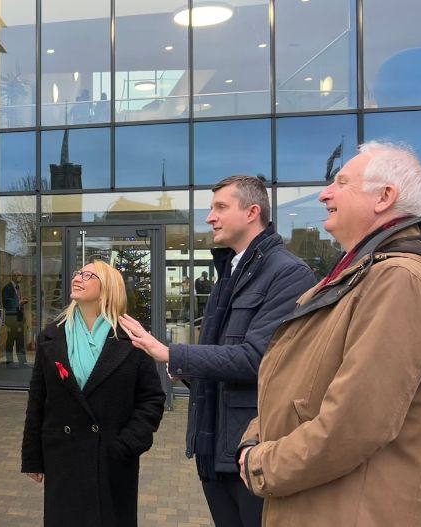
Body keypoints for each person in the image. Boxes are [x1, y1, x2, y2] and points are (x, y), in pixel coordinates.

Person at [237, 142, 421, 526]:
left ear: (384, 197)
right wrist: (257, 435)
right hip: (319, 502)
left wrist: (263, 463)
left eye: (341, 182)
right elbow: (297, 385)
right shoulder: (357, 276)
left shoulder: (399, 280)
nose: (324, 193)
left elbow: (355, 424)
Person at [119, 175, 316, 527]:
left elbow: (260, 359)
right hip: (215, 448)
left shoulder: (288, 274)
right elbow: (223, 355)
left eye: (220, 207)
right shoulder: (232, 270)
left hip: (250, 451)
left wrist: (173, 355)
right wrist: (190, 372)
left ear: (253, 212)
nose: (210, 217)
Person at [22, 260, 165, 527]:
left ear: (108, 288)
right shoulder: (51, 337)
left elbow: (151, 398)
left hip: (111, 459)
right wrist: (32, 456)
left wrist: (127, 443)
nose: (78, 277)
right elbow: (37, 399)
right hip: (64, 456)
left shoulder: (132, 339)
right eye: (78, 273)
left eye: (89, 275)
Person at [2, 270, 29, 367]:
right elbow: (6, 302)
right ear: (13, 276)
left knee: (20, 340)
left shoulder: (18, 288)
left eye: (21, 275)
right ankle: (9, 362)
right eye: (18, 275)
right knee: (10, 340)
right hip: (11, 317)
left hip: (19, 317)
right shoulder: (7, 288)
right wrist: (19, 303)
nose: (20, 277)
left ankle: (23, 362)